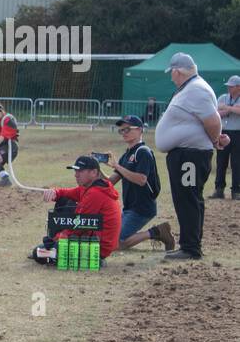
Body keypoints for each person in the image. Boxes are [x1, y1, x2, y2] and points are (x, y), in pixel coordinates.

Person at [155, 53, 230, 260]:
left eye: (172, 73)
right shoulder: (192, 88)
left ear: (178, 71)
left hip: (190, 155)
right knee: (190, 199)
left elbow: (213, 121)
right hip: (187, 153)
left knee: (187, 199)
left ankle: (190, 247)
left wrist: (215, 140)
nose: (171, 77)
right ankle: (190, 244)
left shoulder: (196, 89)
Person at [32, 156, 122, 264]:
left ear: (94, 172)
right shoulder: (89, 187)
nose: (76, 174)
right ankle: (55, 253)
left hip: (98, 248)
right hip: (93, 242)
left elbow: (78, 226)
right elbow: (66, 193)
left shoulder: (95, 193)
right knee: (65, 200)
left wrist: (56, 238)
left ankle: (94, 259)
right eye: (75, 171)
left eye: (80, 171)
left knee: (38, 253)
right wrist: (55, 192)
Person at [105, 116, 175, 252]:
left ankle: (157, 232)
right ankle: (158, 231)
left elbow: (141, 180)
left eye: (127, 129)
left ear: (139, 130)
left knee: (116, 243)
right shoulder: (126, 155)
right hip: (130, 208)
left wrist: (118, 167)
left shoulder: (143, 152)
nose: (124, 133)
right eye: (121, 130)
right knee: (109, 238)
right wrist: (96, 169)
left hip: (142, 208)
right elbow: (110, 182)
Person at [211, 75, 240, 200]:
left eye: (231, 86)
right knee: (221, 161)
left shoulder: (225, 101)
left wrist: (227, 108)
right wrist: (231, 110)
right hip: (223, 131)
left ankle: (236, 191)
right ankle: (219, 189)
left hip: (238, 133)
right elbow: (216, 112)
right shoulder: (223, 97)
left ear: (238, 87)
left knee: (236, 163)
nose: (228, 88)